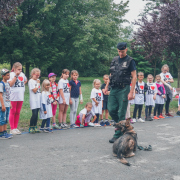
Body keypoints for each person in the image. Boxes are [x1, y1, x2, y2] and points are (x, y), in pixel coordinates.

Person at [104, 42, 137, 143]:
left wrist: (131, 92)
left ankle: (118, 133)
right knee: (111, 109)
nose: (121, 53)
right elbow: (111, 74)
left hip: (124, 88)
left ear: (126, 50)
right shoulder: (114, 59)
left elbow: (134, 76)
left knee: (121, 112)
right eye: (119, 51)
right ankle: (124, 127)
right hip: (114, 88)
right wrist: (106, 86)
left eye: (122, 51)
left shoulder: (130, 61)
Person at [8, 62, 27, 135]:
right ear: (14, 69)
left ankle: (15, 128)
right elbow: (10, 84)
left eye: (21, 69)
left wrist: (21, 84)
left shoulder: (22, 74)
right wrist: (16, 76)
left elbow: (25, 80)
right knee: (13, 111)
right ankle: (12, 128)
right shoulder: (11, 74)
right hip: (13, 96)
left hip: (20, 96)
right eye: (18, 69)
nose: (20, 71)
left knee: (18, 112)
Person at [0, 69, 12, 139]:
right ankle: (1, 133)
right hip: (3, 105)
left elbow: (8, 94)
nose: (9, 76)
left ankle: (5, 132)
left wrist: (9, 103)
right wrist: (3, 105)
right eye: (7, 75)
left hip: (7, 104)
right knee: (2, 119)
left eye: (9, 75)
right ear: (3, 76)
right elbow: (0, 95)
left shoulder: (7, 84)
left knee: (6, 119)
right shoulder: (1, 84)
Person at [28, 68, 41, 133]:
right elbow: (34, 90)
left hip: (38, 99)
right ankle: (31, 126)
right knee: (34, 114)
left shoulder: (38, 80)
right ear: (33, 74)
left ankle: (35, 126)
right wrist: (38, 84)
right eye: (36, 75)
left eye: (38, 75)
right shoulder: (31, 81)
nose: (38, 76)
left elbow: (39, 90)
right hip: (33, 99)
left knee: (37, 114)